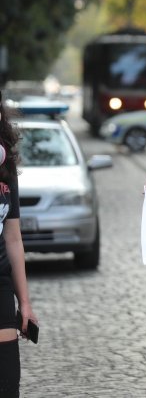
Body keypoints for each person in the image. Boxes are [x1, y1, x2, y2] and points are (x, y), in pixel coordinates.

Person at [0, 93, 37, 396]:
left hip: (0, 283)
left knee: (7, 380)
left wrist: (24, 302)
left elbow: (13, 236)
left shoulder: (5, 166)